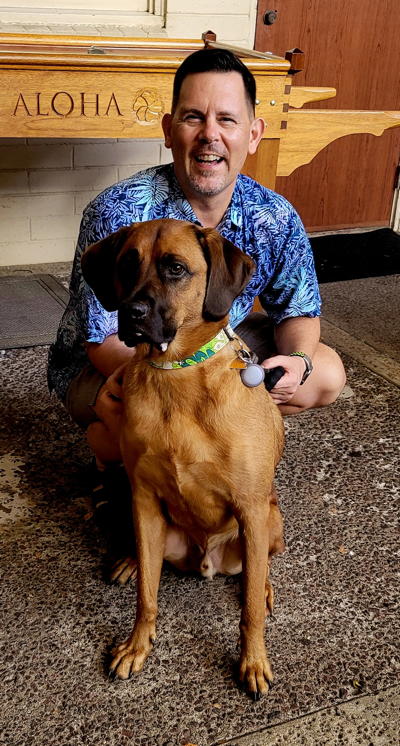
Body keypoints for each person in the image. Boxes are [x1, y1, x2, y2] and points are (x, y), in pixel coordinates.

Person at [48, 47, 346, 473]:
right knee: (116, 427)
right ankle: (127, 460)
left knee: (325, 373)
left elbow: (298, 309)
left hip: (212, 339)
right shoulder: (119, 212)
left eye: (227, 119)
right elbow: (101, 338)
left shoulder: (274, 215)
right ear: (169, 130)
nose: (210, 135)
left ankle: (210, 447)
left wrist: (297, 360)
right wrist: (196, 381)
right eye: (193, 118)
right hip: (121, 357)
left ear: (254, 133)